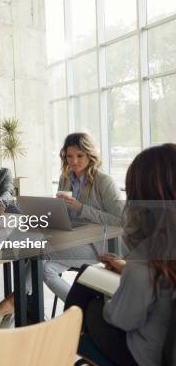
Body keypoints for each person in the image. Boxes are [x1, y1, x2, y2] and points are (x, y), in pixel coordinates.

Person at [0, 133, 124, 319]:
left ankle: (14, 301)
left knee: (41, 251)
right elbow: (63, 213)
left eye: (80, 156)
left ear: (90, 155)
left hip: (99, 245)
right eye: (69, 156)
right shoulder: (65, 178)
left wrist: (82, 208)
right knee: (44, 268)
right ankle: (82, 312)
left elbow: (121, 220)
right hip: (71, 238)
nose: (74, 161)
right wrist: (50, 214)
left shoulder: (103, 181)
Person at [64, 143, 176, 366]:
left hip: (143, 356)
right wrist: (125, 268)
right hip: (165, 344)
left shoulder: (147, 256)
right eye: (69, 156)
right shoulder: (157, 255)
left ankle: (61, 339)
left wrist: (110, 298)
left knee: (88, 288)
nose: (73, 160)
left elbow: (122, 319)